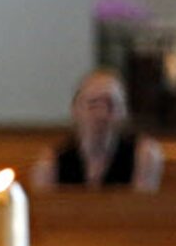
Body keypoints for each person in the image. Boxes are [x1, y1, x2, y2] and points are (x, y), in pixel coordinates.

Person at [30, 68, 163, 192]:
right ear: (75, 110)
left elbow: (141, 211)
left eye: (110, 104)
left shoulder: (143, 155)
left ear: (124, 111)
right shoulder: (51, 162)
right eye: (93, 104)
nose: (101, 114)